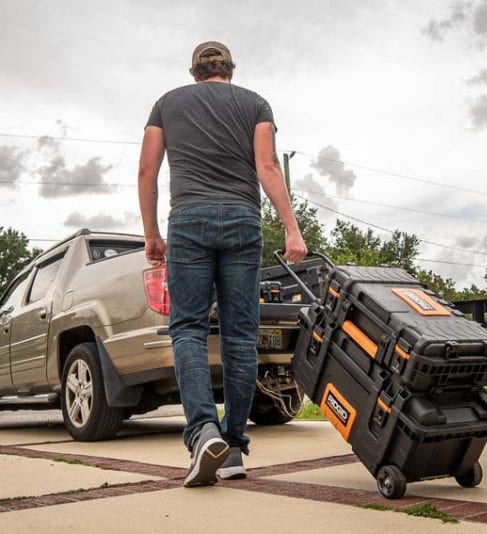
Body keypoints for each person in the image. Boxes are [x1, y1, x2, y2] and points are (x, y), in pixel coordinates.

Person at [138, 41, 307, 487]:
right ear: (229, 70)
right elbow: (267, 165)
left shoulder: (166, 104)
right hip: (241, 220)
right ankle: (232, 446)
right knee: (239, 335)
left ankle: (202, 431)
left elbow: (147, 172)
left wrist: (152, 233)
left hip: (189, 221)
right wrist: (292, 228)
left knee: (189, 329)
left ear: (195, 71)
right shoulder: (255, 103)